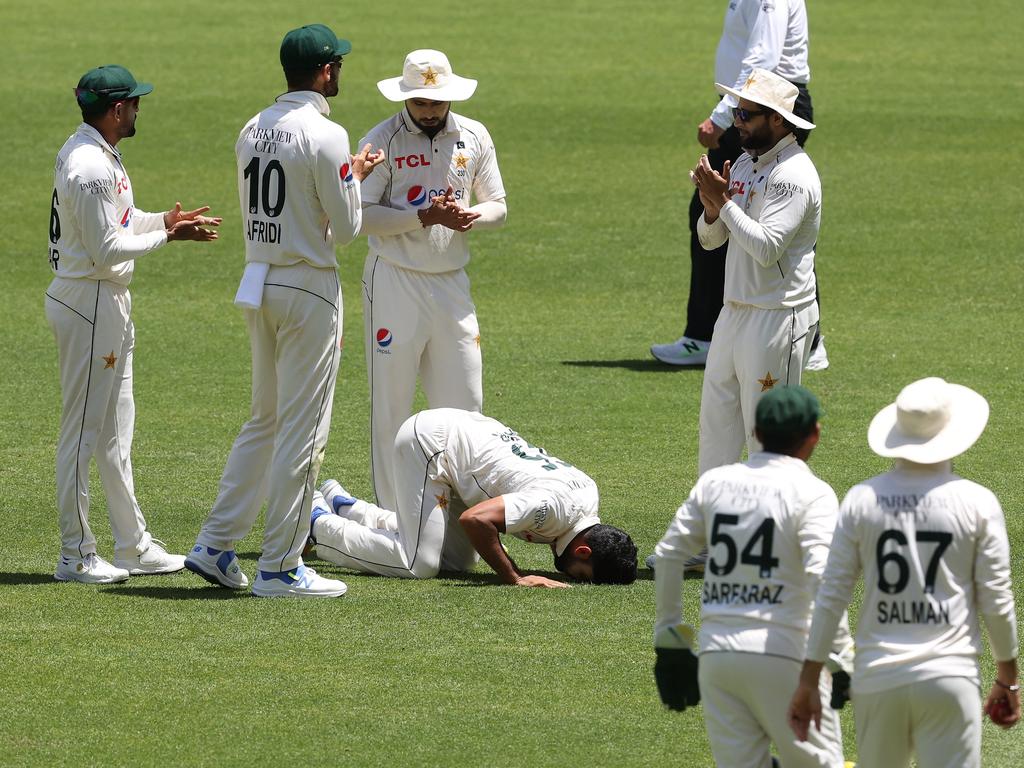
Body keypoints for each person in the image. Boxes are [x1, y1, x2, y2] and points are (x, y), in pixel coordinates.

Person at [184, 24, 383, 598]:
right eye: (337, 66)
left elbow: (287, 202)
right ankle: (280, 566)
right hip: (309, 288)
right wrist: (353, 181)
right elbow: (345, 230)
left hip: (259, 281)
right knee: (304, 431)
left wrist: (348, 178)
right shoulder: (326, 133)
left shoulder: (251, 128)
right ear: (325, 72)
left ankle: (216, 544)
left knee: (264, 420)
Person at [46, 64, 221, 584]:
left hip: (106, 300)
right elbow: (106, 248)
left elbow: (119, 222)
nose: (140, 109)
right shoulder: (89, 165)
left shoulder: (93, 153)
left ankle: (133, 545)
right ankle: (75, 554)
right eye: (135, 102)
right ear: (118, 109)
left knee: (116, 435)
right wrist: (169, 239)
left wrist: (162, 222)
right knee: (82, 434)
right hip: (90, 301)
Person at [788, 378, 1020, 767]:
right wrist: (1007, 677)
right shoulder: (978, 502)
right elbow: (996, 598)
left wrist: (810, 678)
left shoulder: (862, 498)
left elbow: (831, 595)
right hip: (950, 677)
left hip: (879, 680)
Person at [653, 386, 852, 768]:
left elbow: (668, 556)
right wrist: (839, 655)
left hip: (718, 657)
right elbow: (824, 578)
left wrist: (670, 640)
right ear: (815, 434)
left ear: (756, 432)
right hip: (787, 656)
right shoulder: (813, 493)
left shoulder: (715, 483)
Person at [357, 50, 507, 512]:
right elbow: (360, 215)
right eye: (420, 102)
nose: (428, 111)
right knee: (392, 407)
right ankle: (391, 517)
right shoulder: (381, 140)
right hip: (395, 281)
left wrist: (469, 217)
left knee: (466, 404)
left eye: (436, 102)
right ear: (407, 97)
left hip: (451, 285)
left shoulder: (474, 135)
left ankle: (466, 522)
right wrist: (422, 216)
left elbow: (498, 205)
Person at [651, 0, 827, 371]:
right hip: (750, 105)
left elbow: (762, 58)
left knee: (755, 215)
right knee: (718, 209)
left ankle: (796, 338)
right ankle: (804, 339)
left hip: (769, 107)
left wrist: (723, 117)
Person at [307, 408, 637, 587]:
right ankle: (318, 525)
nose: (567, 575)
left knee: (458, 562)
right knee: (418, 564)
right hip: (431, 444)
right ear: (583, 550)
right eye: (579, 573)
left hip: (463, 441)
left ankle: (349, 508)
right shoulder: (551, 511)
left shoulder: (589, 494)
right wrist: (515, 577)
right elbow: (475, 519)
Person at [693, 68, 820, 485]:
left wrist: (723, 203)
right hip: (734, 313)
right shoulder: (747, 165)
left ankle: (773, 541)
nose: (737, 122)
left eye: (746, 115)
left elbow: (767, 249)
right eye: (737, 113)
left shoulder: (793, 176)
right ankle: (710, 539)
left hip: (776, 318)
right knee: (716, 431)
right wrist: (713, 210)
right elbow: (712, 241)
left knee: (769, 443)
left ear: (778, 121)